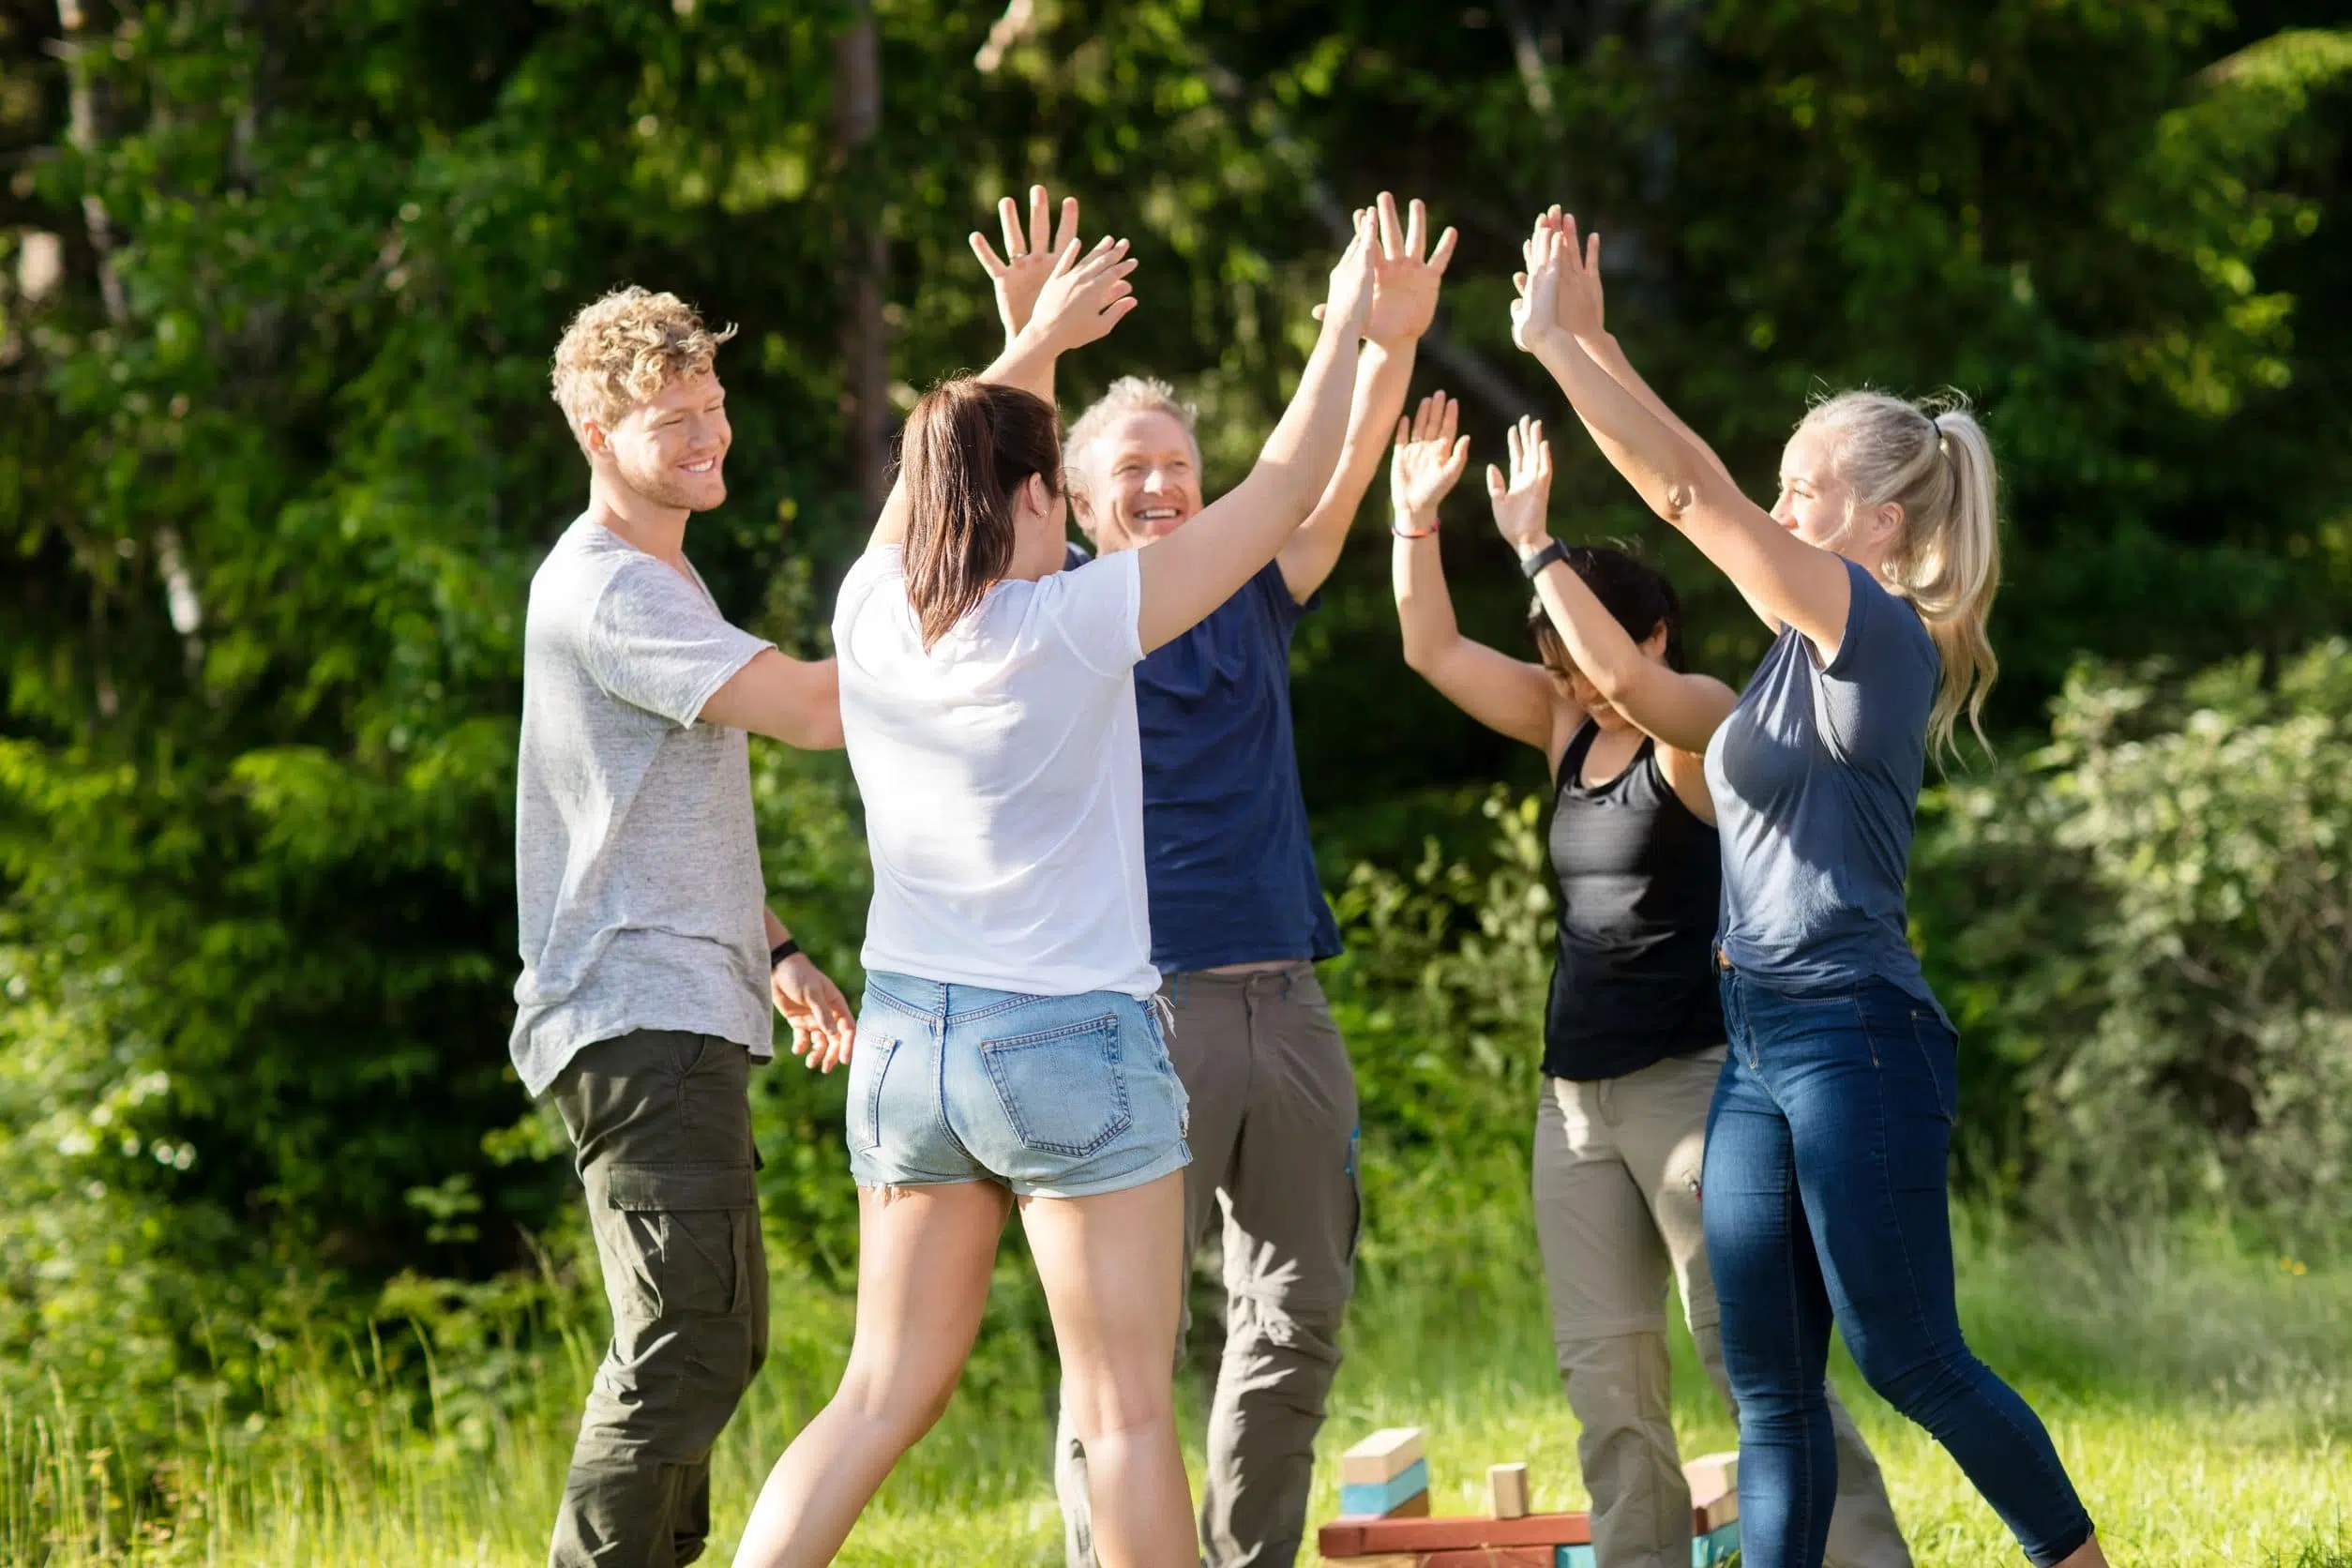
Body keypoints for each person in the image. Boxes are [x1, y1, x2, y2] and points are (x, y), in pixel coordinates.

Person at [729, 210, 1381, 1568]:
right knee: (1128, 1413)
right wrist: (1341, 323)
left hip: (909, 1047)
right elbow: (1279, 490)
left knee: (877, 1394)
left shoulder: (866, 614)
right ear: (1037, 502)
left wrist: (1031, 341)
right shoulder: (1074, 625)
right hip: (1068, 1045)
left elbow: (947, 466)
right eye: (1045, 493)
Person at [1510, 211, 2108, 1568]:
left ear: (1879, 527)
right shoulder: (1787, 657)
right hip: (1758, 1044)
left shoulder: (1868, 629)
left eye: (1807, 495)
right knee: (1771, 1392)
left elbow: (1691, 497)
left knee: (1911, 1359)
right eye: (1783, 493)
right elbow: (1662, 614)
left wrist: (1568, 345)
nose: (1780, 516)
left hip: (1853, 1035)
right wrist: (1581, 355)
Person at [981, 185, 1455, 1568]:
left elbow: (1329, 471)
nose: (1161, 485)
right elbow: (973, 495)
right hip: (1143, 1013)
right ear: (1070, 499)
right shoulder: (1065, 609)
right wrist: (1032, 346)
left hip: (1289, 1001)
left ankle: (1243, 1558)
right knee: (1119, 1349)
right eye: (1127, 468)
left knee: (1297, 1312)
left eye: (1178, 463)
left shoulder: (1248, 589)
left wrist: (1391, 343)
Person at [1387, 395, 1914, 1568]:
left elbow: (1620, 675)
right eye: (1544, 651)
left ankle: (1866, 1555)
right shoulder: (1562, 728)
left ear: (1650, 634)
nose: (1556, 669)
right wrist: (1414, 527)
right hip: (1571, 1104)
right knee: (1608, 1383)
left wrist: (1539, 544)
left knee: (1750, 1356)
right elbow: (1430, 649)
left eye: (1566, 644)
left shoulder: (1702, 727)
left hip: (1695, 1084)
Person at [519, 285, 862, 1568]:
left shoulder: (664, 572)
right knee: (685, 1342)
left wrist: (768, 945)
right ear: (598, 435)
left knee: (713, 1338)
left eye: (714, 404)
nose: (711, 432)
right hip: (636, 1018)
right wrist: (967, 610)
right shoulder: (614, 589)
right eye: (676, 417)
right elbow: (820, 711)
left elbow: (635, 814)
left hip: (676, 1004)